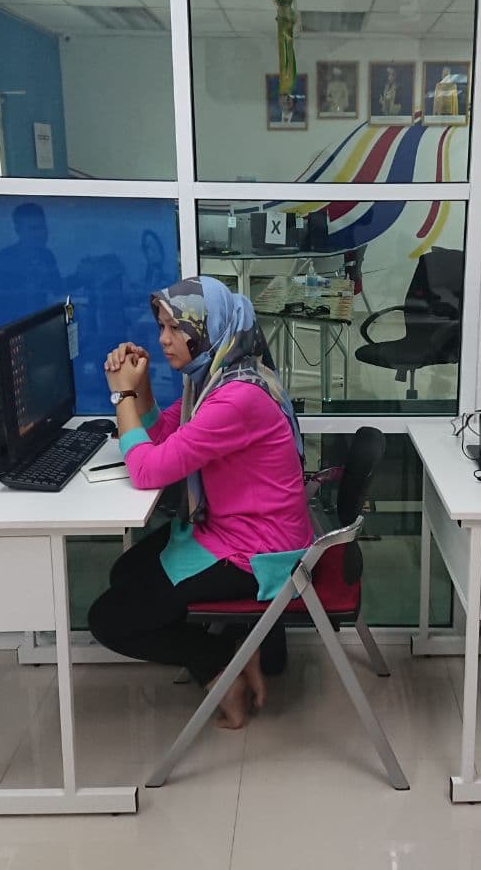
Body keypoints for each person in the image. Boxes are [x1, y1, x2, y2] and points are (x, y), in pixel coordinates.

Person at [87, 276, 312, 729]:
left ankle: (220, 664)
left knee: (107, 619)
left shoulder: (236, 398)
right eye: (161, 327)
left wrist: (123, 395)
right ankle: (244, 650)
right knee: (125, 573)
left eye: (176, 328)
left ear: (208, 328)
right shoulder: (216, 376)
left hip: (259, 551)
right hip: (238, 529)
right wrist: (142, 388)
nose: (163, 339)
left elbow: (147, 469)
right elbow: (161, 437)